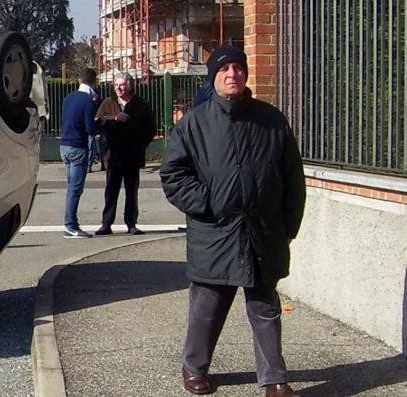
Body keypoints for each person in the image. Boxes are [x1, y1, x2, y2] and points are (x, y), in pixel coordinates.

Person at [159, 46, 306, 397]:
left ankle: (274, 379)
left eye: (238, 68)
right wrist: (208, 201)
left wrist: (288, 227)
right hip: (215, 233)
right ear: (214, 77)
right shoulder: (195, 124)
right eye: (224, 70)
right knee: (208, 306)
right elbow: (173, 174)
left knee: (265, 308)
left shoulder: (272, 121)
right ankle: (194, 366)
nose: (232, 75)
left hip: (262, 232)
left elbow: (292, 178)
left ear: (246, 74)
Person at [93, 72, 155, 235]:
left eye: (122, 85)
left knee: (131, 191)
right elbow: (98, 122)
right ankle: (106, 223)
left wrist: (140, 145)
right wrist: (115, 118)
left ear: (130, 85)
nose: (119, 88)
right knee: (111, 191)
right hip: (113, 155)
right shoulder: (107, 103)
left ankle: (131, 223)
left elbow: (150, 129)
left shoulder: (140, 104)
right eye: (116, 85)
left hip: (132, 155)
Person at [59, 69, 98, 238]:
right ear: (94, 82)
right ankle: (70, 225)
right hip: (78, 147)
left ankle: (71, 222)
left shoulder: (68, 98)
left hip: (64, 145)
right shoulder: (88, 100)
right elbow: (90, 128)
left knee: (70, 188)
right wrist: (101, 122)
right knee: (75, 189)